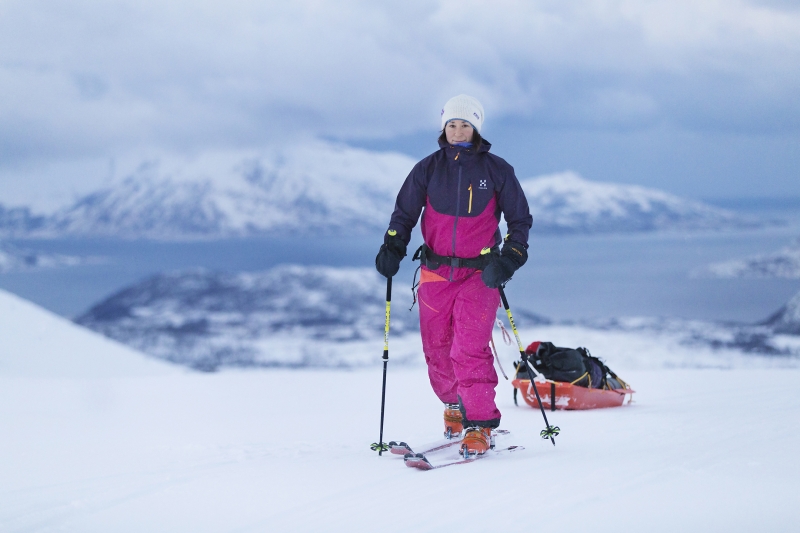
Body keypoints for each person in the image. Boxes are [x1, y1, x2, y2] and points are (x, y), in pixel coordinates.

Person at [375, 94, 532, 456]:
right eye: (452, 124)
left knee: (468, 348)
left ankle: (479, 424)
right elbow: (404, 215)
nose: (458, 131)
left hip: (480, 273)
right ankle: (455, 405)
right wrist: (392, 247)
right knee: (437, 349)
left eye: (465, 125)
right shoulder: (427, 169)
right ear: (443, 127)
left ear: (476, 129)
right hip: (434, 271)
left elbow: (520, 221)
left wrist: (509, 259)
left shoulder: (497, 170)